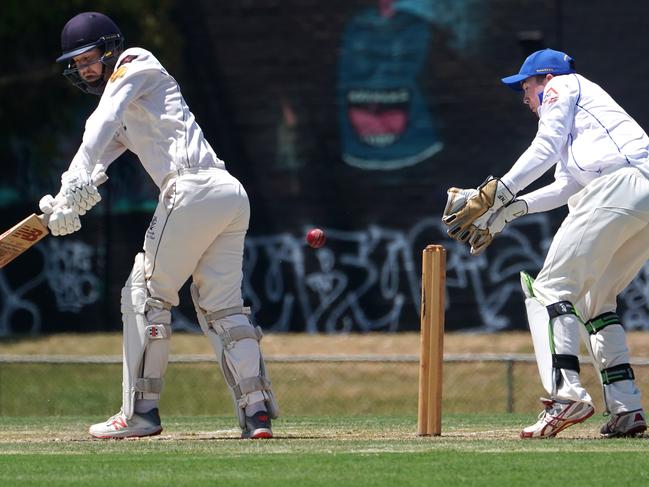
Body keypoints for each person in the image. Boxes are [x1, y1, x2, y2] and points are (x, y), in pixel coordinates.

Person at [42, 11, 279, 439]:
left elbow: (101, 120)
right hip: (227, 195)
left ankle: (140, 413)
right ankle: (256, 412)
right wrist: (63, 202)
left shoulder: (136, 62)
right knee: (221, 305)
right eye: (76, 63)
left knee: (145, 292)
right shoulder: (132, 109)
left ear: (111, 48)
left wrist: (72, 179)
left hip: (191, 190)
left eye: (89, 57)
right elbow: (96, 162)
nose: (84, 68)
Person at [442, 48, 649, 438]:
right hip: (641, 193)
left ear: (545, 80)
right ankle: (627, 408)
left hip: (619, 187)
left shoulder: (561, 86)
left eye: (526, 86)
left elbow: (543, 147)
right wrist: (506, 211)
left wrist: (494, 193)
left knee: (550, 289)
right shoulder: (586, 125)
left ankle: (565, 395)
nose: (525, 97)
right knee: (596, 302)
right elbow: (564, 186)